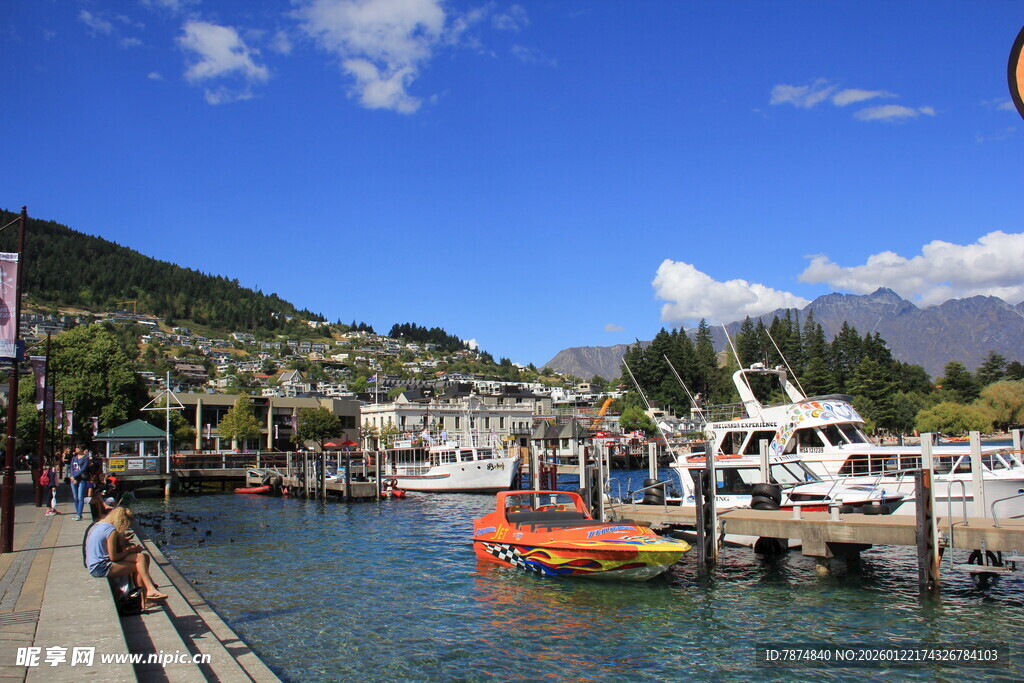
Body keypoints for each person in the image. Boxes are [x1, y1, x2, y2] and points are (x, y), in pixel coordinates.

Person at [83, 507, 167, 607]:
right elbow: (113, 557)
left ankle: (148, 593)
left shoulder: (99, 525)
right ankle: (146, 597)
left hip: (96, 563)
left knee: (143, 557)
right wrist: (129, 551)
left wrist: (128, 548)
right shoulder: (111, 530)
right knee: (140, 565)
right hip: (100, 567)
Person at [68, 447, 91, 521]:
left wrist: (74, 476)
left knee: (80, 497)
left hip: (81, 479)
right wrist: (72, 477)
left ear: (82, 449)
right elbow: (72, 468)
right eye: (76, 447)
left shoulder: (85, 458)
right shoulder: (74, 458)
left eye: (78, 448)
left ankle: (79, 514)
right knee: (75, 497)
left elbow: (83, 469)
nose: (76, 449)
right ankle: (77, 513)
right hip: (73, 479)